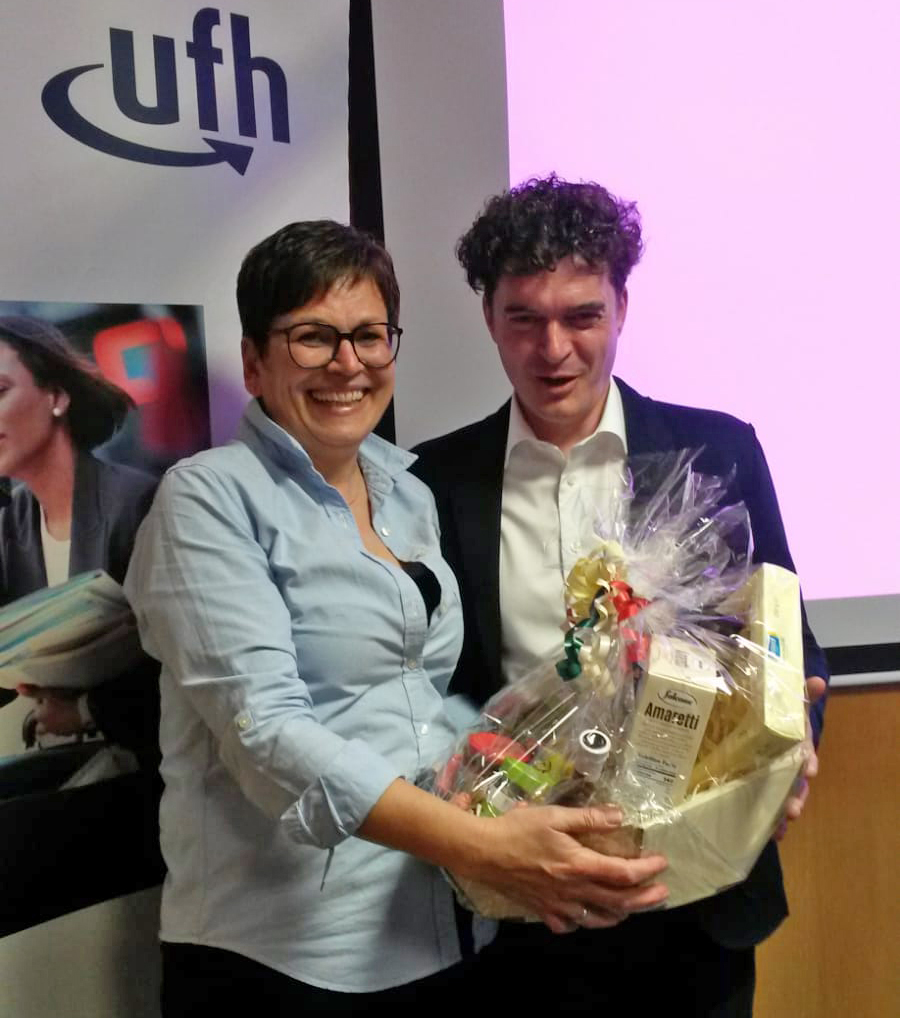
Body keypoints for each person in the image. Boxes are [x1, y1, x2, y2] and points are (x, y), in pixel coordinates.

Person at [123, 220, 669, 1013]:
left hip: (440, 931)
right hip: (285, 955)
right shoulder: (207, 499)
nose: (348, 363)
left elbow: (421, 705)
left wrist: (537, 779)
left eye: (370, 336)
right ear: (254, 361)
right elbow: (265, 734)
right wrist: (483, 843)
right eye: (313, 337)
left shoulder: (409, 490)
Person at [411, 175, 829, 1016]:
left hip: (696, 893)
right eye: (524, 319)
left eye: (582, 316)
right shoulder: (433, 481)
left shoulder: (716, 453)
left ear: (622, 308)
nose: (553, 349)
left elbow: (788, 643)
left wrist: (794, 747)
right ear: (488, 317)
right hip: (524, 904)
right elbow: (432, 686)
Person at [0, 315, 163, 936]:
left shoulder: (138, 503)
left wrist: (87, 709)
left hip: (148, 771)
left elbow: (184, 672)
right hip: (76, 765)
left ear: (57, 396)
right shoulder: (12, 524)